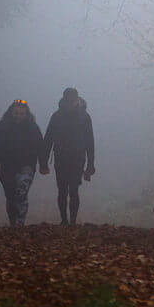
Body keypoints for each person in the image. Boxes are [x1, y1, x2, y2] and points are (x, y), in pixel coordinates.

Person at [41, 87, 96, 226]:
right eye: (68, 101)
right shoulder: (57, 117)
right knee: (62, 190)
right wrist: (43, 162)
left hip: (78, 159)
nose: (71, 104)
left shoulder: (84, 117)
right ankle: (64, 220)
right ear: (64, 101)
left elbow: (90, 142)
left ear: (77, 100)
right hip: (61, 158)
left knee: (73, 189)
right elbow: (48, 140)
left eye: (73, 101)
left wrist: (90, 165)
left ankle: (71, 221)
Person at [0, 99, 44, 226]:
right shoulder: (2, 126)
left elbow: (41, 146)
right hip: (6, 166)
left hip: (26, 166)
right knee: (10, 196)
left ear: (26, 114)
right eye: (16, 113)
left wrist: (43, 165)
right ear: (11, 113)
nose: (19, 116)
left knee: (21, 194)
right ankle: (13, 222)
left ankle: (20, 223)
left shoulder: (33, 128)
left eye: (22, 114)